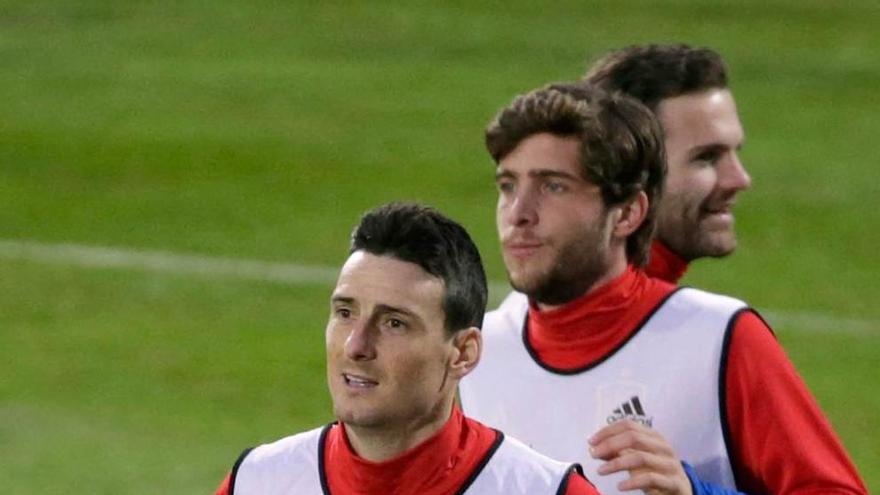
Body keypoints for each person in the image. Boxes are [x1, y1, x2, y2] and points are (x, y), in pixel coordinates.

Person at [458, 84, 867, 494]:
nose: (518, 213)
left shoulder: (718, 338)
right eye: (508, 185)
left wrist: (695, 493)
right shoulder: (472, 355)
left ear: (627, 214)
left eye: (553, 186)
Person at [214, 203, 600, 495]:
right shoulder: (257, 483)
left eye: (393, 323)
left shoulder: (543, 491)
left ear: (463, 352)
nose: (356, 345)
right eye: (346, 312)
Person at [584, 44, 752, 283]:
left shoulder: (541, 305)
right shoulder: (713, 321)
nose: (740, 179)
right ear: (626, 172)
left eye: (735, 152)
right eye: (707, 157)